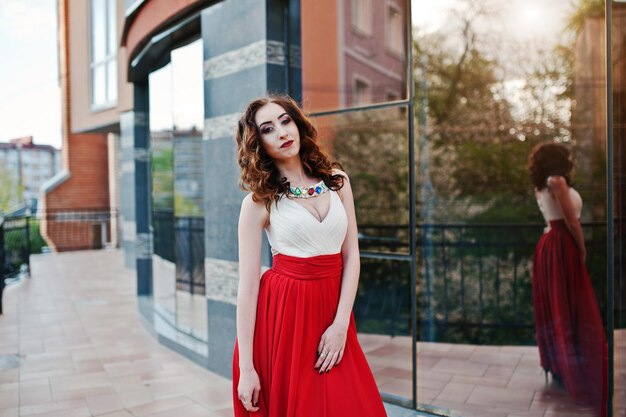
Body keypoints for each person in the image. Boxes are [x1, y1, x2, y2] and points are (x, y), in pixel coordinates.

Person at [231, 95, 387, 417]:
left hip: (333, 311)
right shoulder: (258, 202)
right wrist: (247, 367)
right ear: (258, 142)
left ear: (298, 124)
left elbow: (352, 255)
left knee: (354, 404)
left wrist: (341, 323)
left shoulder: (337, 181)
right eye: (268, 129)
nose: (282, 132)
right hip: (284, 318)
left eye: (286, 121)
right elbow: (247, 287)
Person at [528, 142, 607, 417]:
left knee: (557, 306)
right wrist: (582, 248)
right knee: (571, 305)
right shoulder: (557, 181)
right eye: (567, 155)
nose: (571, 158)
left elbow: (551, 218)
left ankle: (560, 366)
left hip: (548, 244)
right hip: (561, 244)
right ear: (558, 160)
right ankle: (576, 370)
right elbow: (572, 221)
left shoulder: (542, 184)